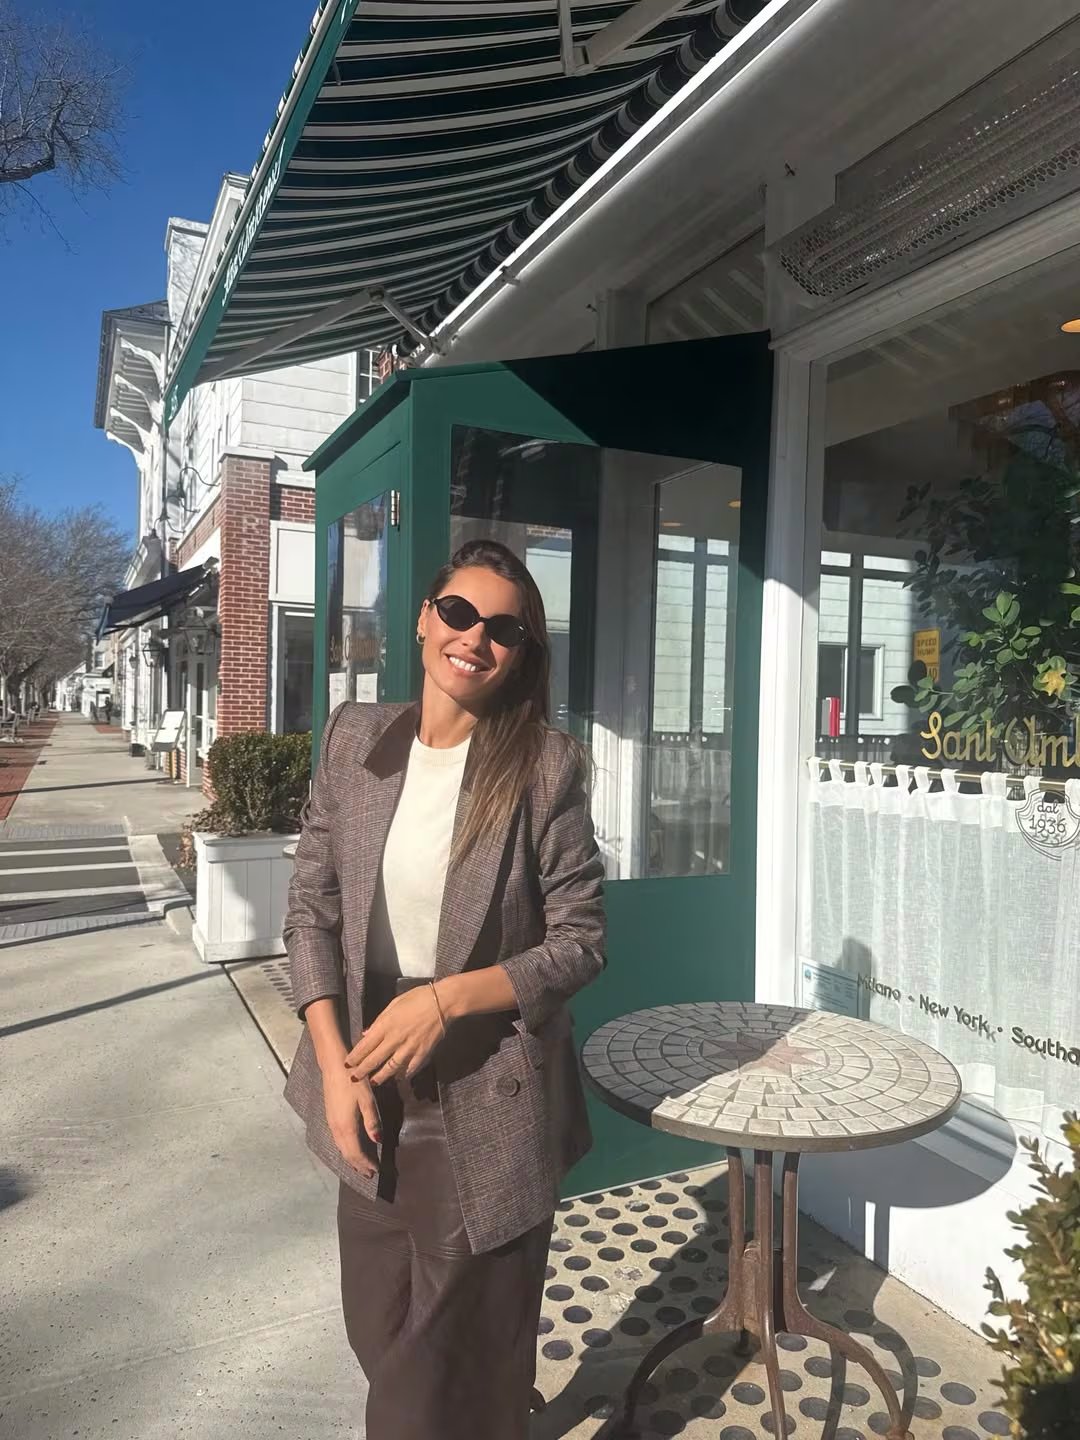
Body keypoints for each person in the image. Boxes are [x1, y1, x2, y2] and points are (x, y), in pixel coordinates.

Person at [283, 538, 605, 1440]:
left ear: (523, 654)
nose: (477, 638)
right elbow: (311, 909)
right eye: (460, 613)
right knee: (381, 1333)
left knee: (437, 1373)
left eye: (506, 629)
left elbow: (581, 943)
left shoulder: (544, 767)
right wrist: (333, 1065)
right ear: (426, 619)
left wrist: (448, 997)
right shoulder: (355, 740)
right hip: (368, 1087)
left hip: (485, 1100)